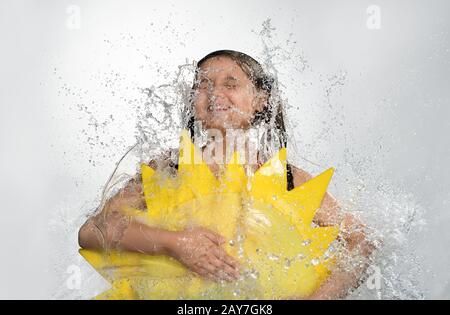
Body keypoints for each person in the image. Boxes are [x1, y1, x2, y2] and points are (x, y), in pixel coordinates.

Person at [78, 49, 375, 299]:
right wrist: (176, 244)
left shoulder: (289, 179)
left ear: (261, 100)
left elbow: (361, 241)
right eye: (204, 85)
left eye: (230, 84)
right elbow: (93, 231)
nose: (214, 93)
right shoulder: (167, 169)